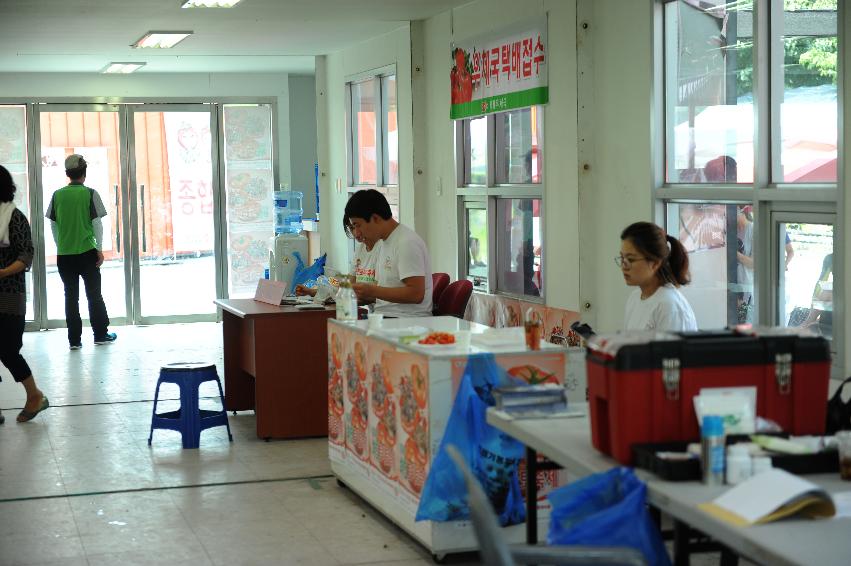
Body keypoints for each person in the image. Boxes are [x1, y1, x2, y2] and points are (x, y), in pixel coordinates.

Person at [46, 154, 117, 349]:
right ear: (84, 173)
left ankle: (74, 340)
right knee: (94, 295)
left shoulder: (57, 195)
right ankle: (101, 334)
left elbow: (53, 224)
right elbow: (97, 224)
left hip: (65, 255)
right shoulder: (90, 193)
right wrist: (99, 250)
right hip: (87, 253)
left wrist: (60, 244)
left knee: (70, 296)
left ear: (67, 174)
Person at [0, 165, 49, 424]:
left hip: (10, 295)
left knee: (8, 350)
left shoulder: (14, 217)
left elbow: (26, 255)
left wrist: (3, 272)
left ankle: (35, 395)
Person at [344, 189, 432, 317]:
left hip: (406, 320)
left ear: (375, 218)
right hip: (384, 316)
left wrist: (372, 291)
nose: (357, 233)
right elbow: (384, 293)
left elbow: (416, 294)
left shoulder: (406, 242)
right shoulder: (384, 243)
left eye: (358, 225)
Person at [619, 221, 697, 332]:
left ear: (655, 263)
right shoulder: (635, 298)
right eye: (622, 258)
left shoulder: (669, 306)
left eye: (631, 259)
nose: (623, 266)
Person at [295, 213, 379, 296]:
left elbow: (376, 294)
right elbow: (348, 285)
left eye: (358, 226)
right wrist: (313, 292)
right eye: (351, 228)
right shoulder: (360, 250)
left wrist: (346, 298)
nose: (356, 233)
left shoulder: (380, 249)